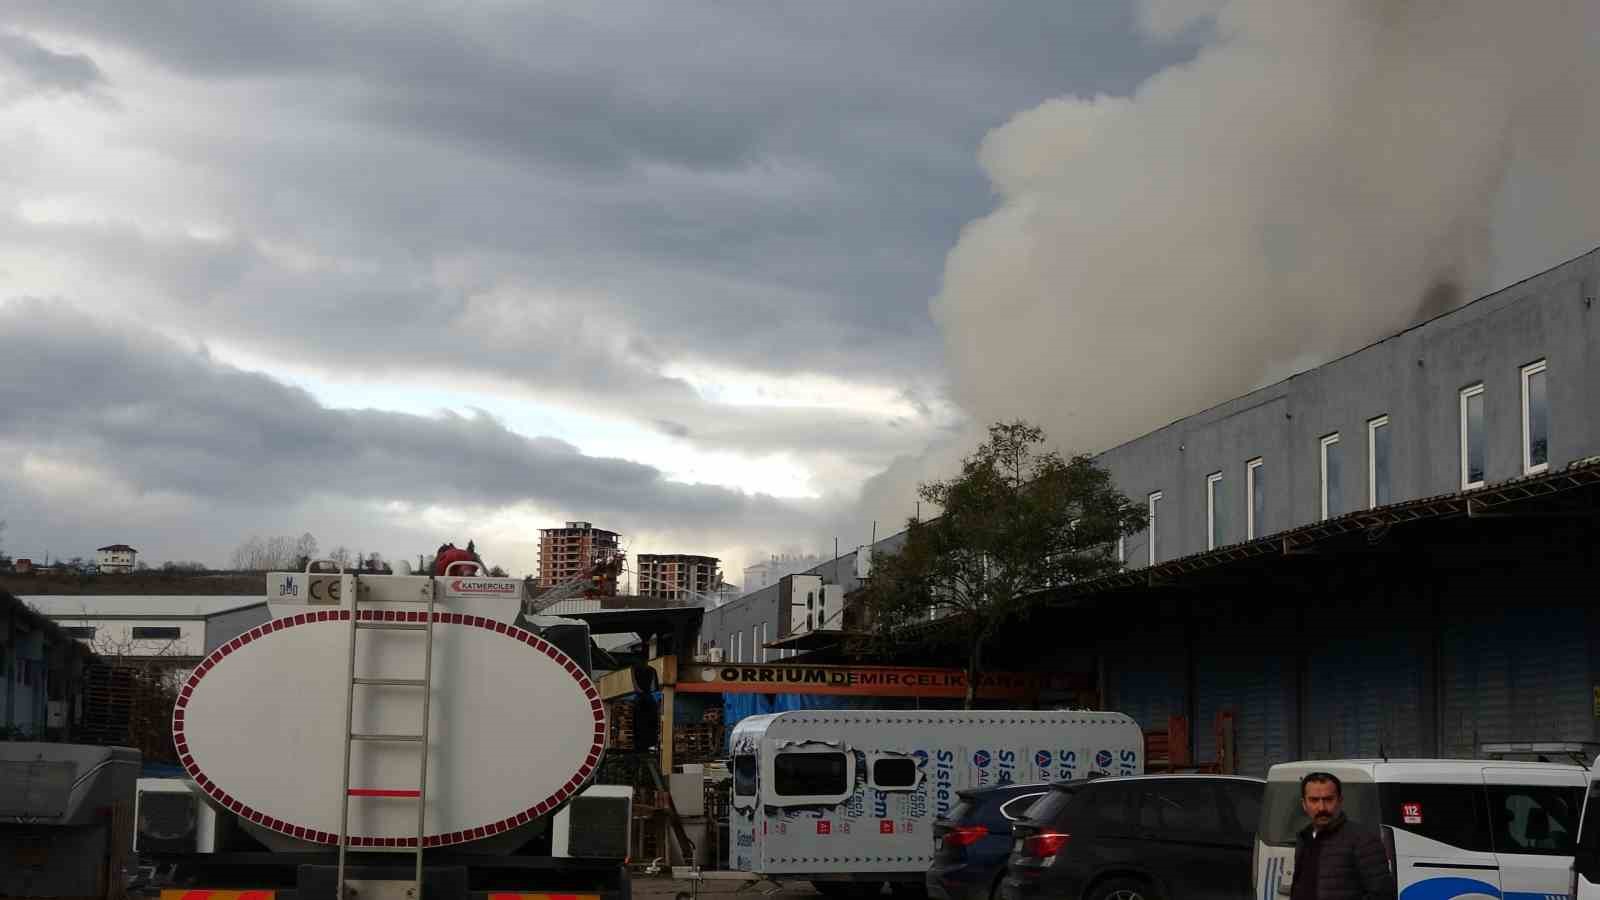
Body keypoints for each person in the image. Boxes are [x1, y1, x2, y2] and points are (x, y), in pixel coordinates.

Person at [1292, 772, 1396, 900]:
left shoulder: (1363, 840)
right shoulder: (1304, 838)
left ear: (1340, 801)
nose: (1321, 808)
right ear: (1304, 804)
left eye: (1328, 799)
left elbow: (1383, 895)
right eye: (1314, 800)